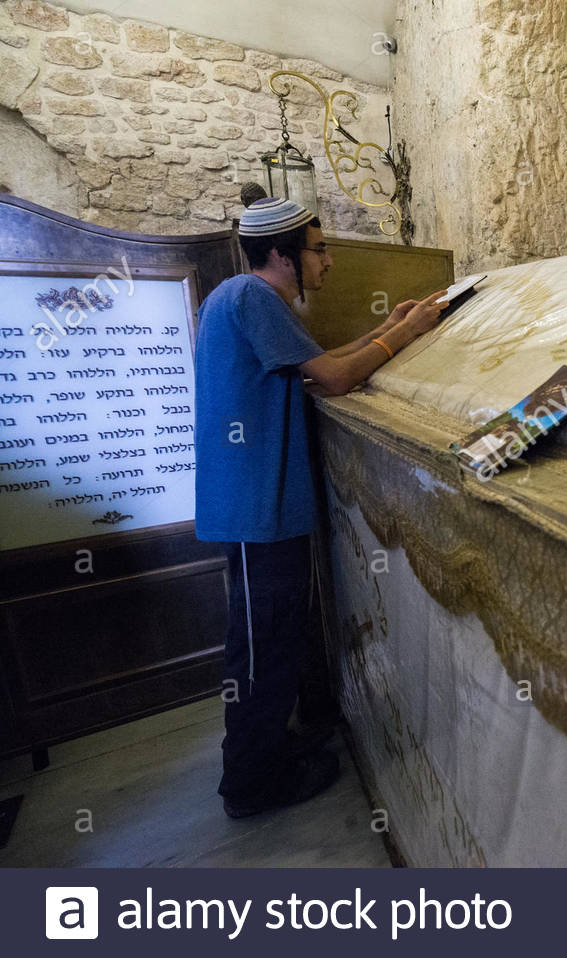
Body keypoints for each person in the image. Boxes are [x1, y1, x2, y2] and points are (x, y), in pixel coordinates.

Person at [194, 197, 445, 819]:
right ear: (284, 256)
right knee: (261, 643)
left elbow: (320, 363)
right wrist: (408, 332)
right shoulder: (253, 297)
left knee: (275, 634)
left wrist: (393, 325)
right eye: (319, 249)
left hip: (261, 503)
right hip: (256, 505)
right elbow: (335, 378)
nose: (328, 261)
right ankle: (249, 784)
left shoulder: (244, 298)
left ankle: (272, 750)